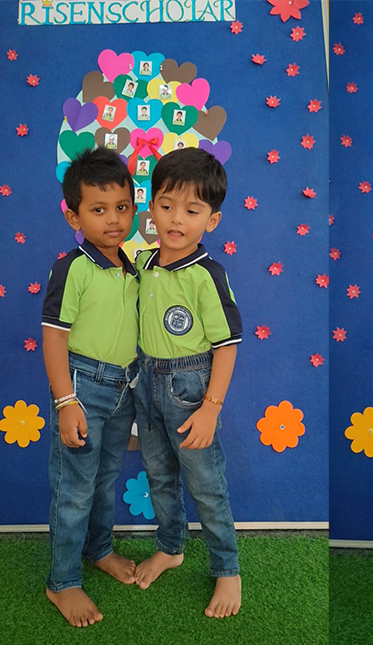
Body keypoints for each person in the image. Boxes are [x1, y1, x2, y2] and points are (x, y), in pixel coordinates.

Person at [131, 148, 243, 619]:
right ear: (150, 207)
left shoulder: (206, 276)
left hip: (190, 387)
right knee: (158, 475)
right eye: (166, 205)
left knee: (205, 483)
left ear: (211, 220)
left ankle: (227, 569)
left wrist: (211, 407)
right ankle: (170, 547)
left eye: (192, 210)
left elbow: (227, 346)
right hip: (144, 381)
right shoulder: (141, 263)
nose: (176, 219)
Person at [41, 147, 139, 627]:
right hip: (82, 386)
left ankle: (98, 549)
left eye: (122, 207)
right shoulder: (72, 267)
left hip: (124, 387)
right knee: (74, 488)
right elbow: (54, 337)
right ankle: (61, 582)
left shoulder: (135, 268)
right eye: (98, 209)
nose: (113, 219)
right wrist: (66, 402)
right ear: (73, 216)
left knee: (104, 479)